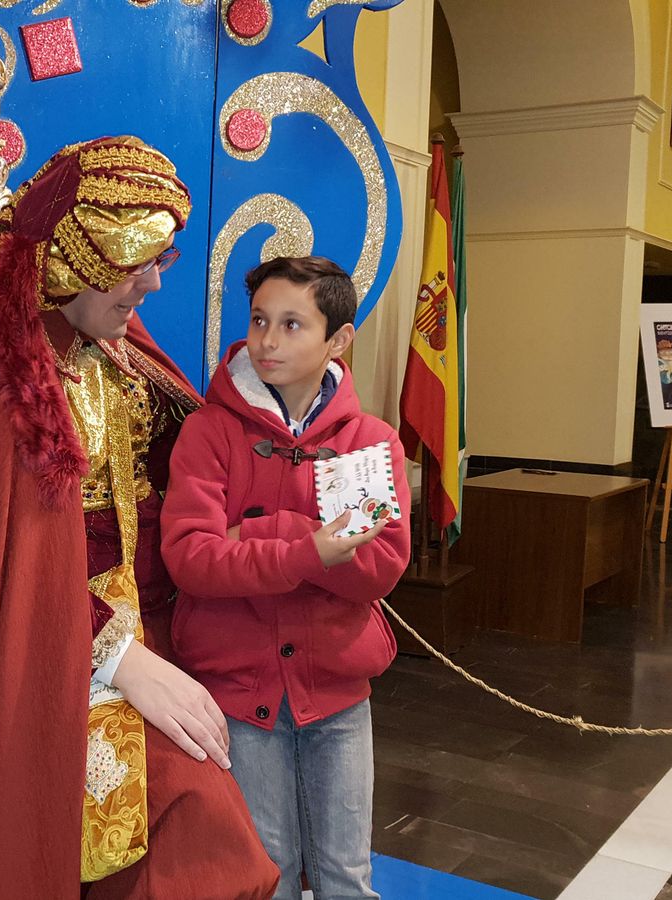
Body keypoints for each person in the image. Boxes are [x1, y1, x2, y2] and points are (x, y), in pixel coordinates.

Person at [0, 136, 278, 900]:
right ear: (76, 255)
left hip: (162, 618)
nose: (149, 284)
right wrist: (119, 659)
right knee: (200, 837)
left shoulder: (107, 335)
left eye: (158, 259)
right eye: (134, 262)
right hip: (37, 645)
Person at [161, 256, 413, 899]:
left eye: (293, 324)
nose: (267, 342)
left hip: (337, 691)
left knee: (346, 875)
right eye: (259, 321)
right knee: (264, 870)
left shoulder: (370, 442)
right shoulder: (208, 432)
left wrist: (260, 534)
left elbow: (378, 568)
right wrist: (314, 547)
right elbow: (191, 559)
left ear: (339, 339)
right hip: (239, 695)